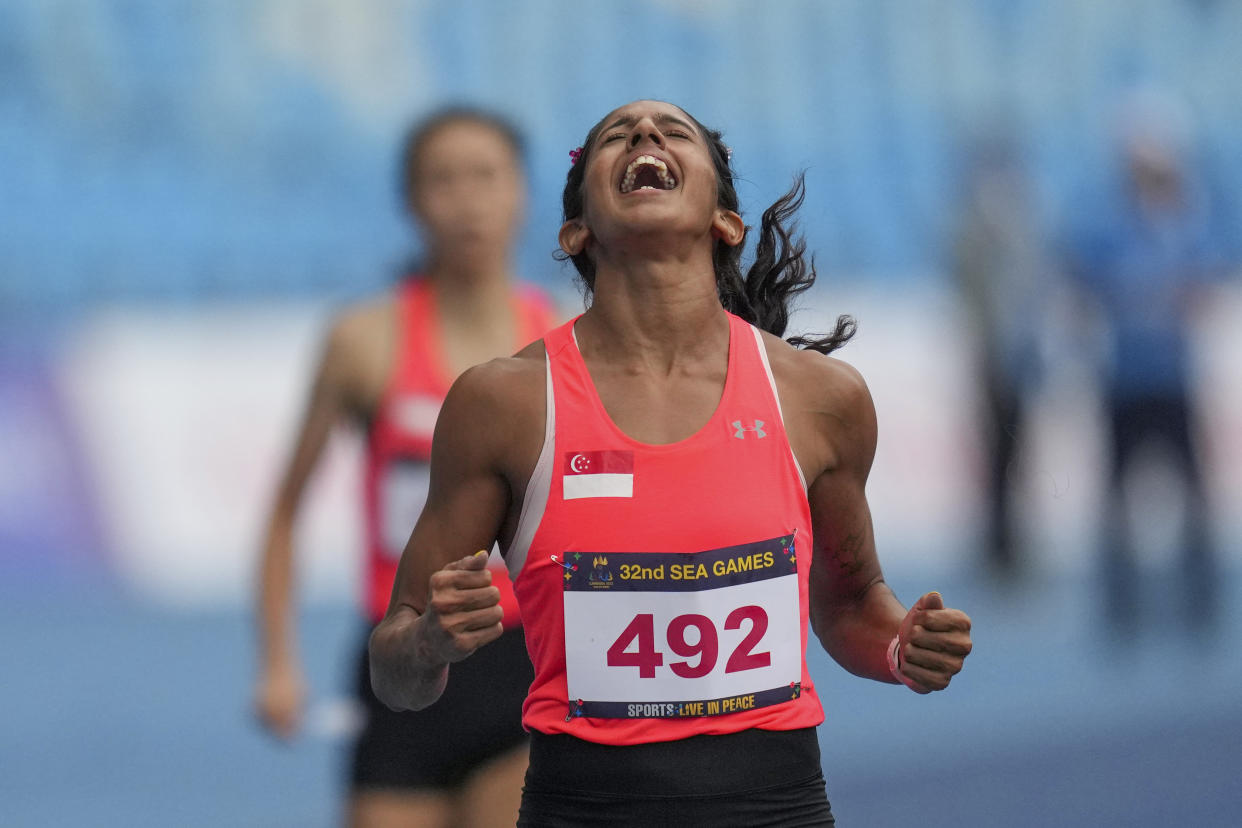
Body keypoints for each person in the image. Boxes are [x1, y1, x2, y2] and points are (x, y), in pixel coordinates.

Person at [369, 100, 973, 826]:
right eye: (616, 137)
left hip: (775, 810)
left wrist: (903, 647)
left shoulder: (820, 400)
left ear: (726, 222)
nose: (646, 135)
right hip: (583, 810)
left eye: (672, 132)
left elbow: (848, 605)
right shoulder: (504, 405)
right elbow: (392, 668)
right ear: (576, 231)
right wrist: (430, 640)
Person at [254, 107, 558, 828]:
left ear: (520, 192)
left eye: (486, 177)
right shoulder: (363, 343)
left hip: (522, 663)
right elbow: (284, 514)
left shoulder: (563, 341)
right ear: (412, 201)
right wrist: (277, 662)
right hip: (397, 656)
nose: (468, 202)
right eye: (443, 181)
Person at [1061, 88, 1233, 635]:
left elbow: (1208, 279)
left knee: (1194, 495)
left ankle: (1200, 605)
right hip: (1127, 379)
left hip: (1173, 377)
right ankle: (1123, 610)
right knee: (1117, 499)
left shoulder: (1189, 221)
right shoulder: (1112, 224)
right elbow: (1077, 271)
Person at [950, 131, 1050, 578]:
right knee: (998, 456)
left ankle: (1011, 544)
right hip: (993, 358)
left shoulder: (1015, 227)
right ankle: (998, 547)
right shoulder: (978, 229)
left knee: (1017, 456)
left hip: (1017, 357)